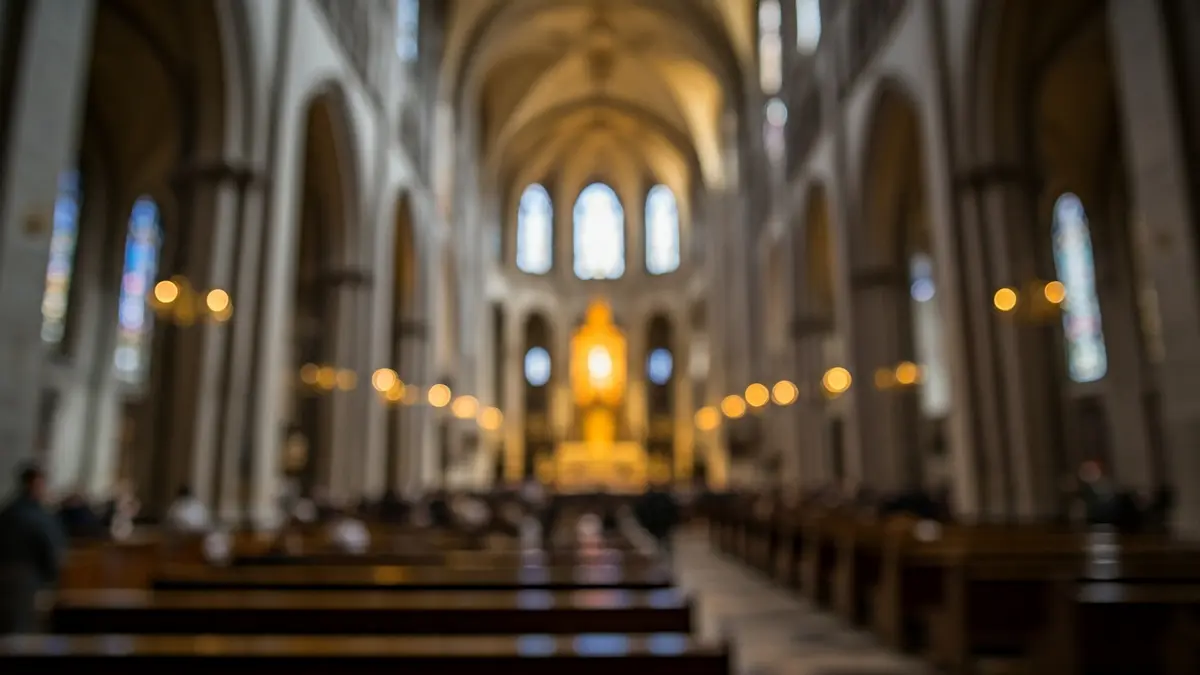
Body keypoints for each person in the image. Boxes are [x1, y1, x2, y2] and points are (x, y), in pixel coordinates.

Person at [0, 462, 66, 634]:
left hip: (9, 574)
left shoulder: (8, 510)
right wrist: (52, 578)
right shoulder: (36, 515)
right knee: (20, 630)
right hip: (25, 579)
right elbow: (51, 548)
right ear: (34, 484)